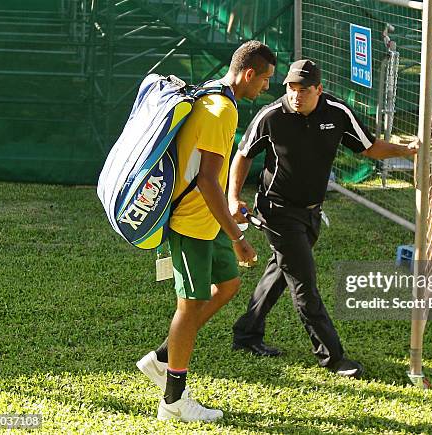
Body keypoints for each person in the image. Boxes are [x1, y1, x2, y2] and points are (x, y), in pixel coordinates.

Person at [229, 59, 418, 378]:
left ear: (319, 89)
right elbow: (243, 155)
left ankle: (246, 334)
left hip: (312, 211)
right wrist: (233, 198)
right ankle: (333, 358)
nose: (296, 95)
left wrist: (409, 150)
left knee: (279, 273)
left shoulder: (338, 112)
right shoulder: (271, 116)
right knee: (305, 286)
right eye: (291, 88)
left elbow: (369, 148)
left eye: (304, 89)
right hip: (277, 211)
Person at [135, 40, 276, 423]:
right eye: (265, 80)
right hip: (191, 223)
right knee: (189, 306)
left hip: (208, 219)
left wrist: (228, 216)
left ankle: (163, 358)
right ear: (249, 74)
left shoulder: (215, 91)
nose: (266, 87)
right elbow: (207, 181)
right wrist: (237, 236)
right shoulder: (221, 111)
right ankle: (173, 402)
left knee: (228, 285)